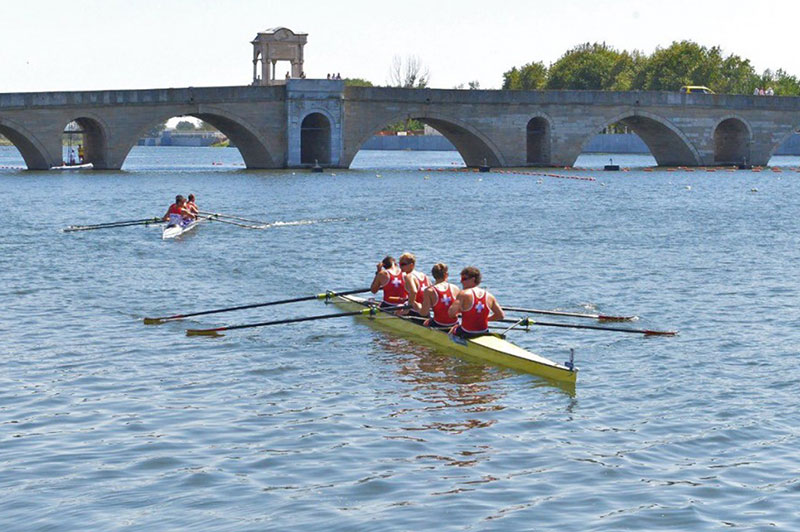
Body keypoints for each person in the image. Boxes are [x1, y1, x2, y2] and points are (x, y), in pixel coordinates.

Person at [448, 266, 505, 338]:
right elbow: (500, 316)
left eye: (464, 279)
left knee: (453, 329)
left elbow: (451, 313)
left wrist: (456, 316)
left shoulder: (463, 294)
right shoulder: (489, 296)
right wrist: (485, 319)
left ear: (473, 279)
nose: (461, 281)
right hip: (484, 332)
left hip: (467, 332)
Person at [419, 263, 460, 329]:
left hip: (439, 324)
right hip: (454, 324)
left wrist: (416, 306)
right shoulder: (455, 288)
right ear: (446, 275)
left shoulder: (429, 290)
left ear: (433, 275)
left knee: (425, 323)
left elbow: (424, 313)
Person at [398, 252, 430, 317]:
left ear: (411, 265)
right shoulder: (424, 276)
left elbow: (413, 292)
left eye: (403, 264)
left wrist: (407, 309)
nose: (400, 266)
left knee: (397, 310)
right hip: (425, 311)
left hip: (415, 312)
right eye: (400, 264)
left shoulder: (408, 276)